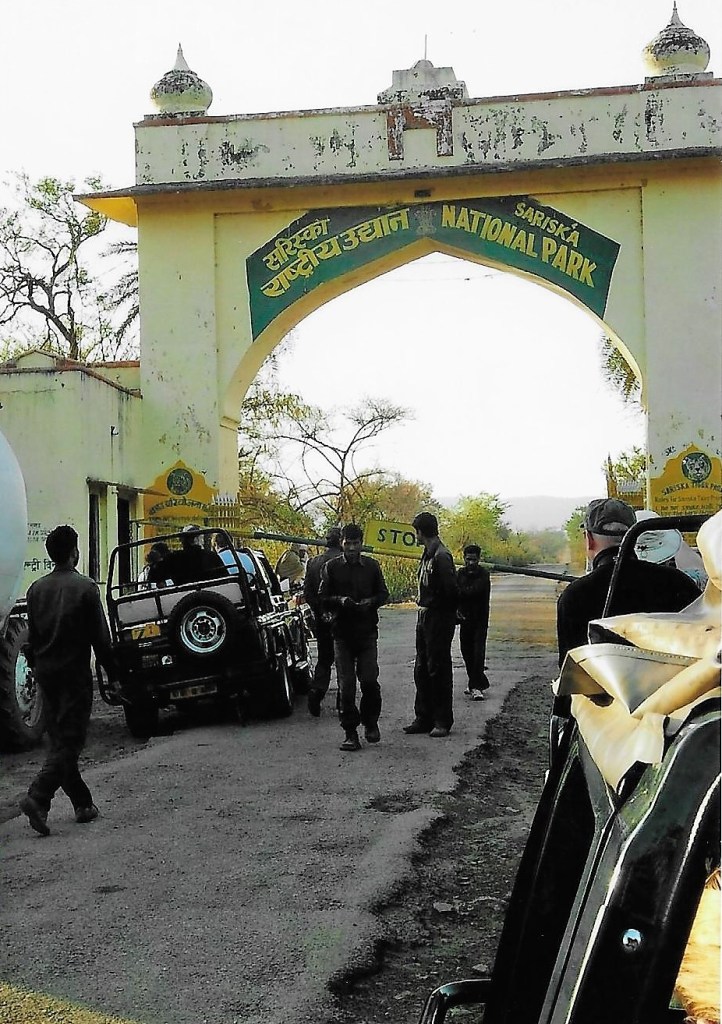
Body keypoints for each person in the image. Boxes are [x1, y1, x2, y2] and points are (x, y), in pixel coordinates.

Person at [19, 525, 117, 836]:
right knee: (71, 742)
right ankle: (38, 796)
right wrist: (114, 676)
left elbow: (32, 639)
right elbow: (100, 640)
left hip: (46, 674)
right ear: (74, 552)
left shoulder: (35, 589)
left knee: (61, 740)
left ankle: (83, 804)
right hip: (74, 674)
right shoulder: (86, 588)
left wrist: (37, 667)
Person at [557, 498, 700, 667]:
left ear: (589, 539)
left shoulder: (574, 597)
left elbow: (570, 675)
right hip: (679, 689)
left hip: (605, 691)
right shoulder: (679, 582)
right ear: (635, 535)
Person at [318, 523, 389, 750]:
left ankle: (371, 723)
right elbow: (322, 597)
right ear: (342, 543)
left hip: (367, 632)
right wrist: (340, 601)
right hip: (342, 634)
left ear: (361, 544)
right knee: (346, 686)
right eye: (347, 544)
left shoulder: (372, 566)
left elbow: (383, 594)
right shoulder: (331, 568)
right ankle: (350, 732)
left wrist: (371, 602)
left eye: (355, 543)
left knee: (369, 681)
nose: (351, 548)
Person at [404, 511, 459, 738]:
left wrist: (443, 614)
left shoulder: (441, 556)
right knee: (422, 669)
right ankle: (423, 717)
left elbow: (451, 592)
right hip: (425, 616)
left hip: (438, 617)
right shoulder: (428, 554)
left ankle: (442, 720)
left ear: (420, 532)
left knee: (438, 669)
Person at [304, 527, 343, 716]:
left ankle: (316, 691)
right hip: (344, 618)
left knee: (324, 658)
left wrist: (320, 612)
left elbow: (308, 594)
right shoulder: (345, 562)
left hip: (321, 618)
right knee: (345, 659)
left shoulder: (313, 563)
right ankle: (342, 698)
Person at [457, 543, 491, 701]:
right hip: (464, 620)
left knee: (478, 654)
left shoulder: (484, 574)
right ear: (464, 559)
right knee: (466, 653)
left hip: (480, 620)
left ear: (479, 559)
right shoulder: (460, 573)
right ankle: (475, 683)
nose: (471, 563)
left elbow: (471, 591)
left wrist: (459, 591)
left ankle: (476, 687)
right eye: (468, 559)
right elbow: (456, 594)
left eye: (474, 560)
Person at [148, 524, 226, 586]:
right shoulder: (212, 556)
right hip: (211, 599)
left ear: (182, 541)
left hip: (183, 598)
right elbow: (225, 578)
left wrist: (155, 562)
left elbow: (153, 577)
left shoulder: (174, 558)